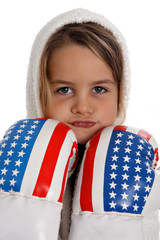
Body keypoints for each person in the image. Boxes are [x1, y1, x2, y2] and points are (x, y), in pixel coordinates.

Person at [26, 8, 130, 239]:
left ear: (121, 94)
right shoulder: (12, 165)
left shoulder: (141, 169)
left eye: (99, 89)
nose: (82, 107)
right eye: (64, 89)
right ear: (38, 93)